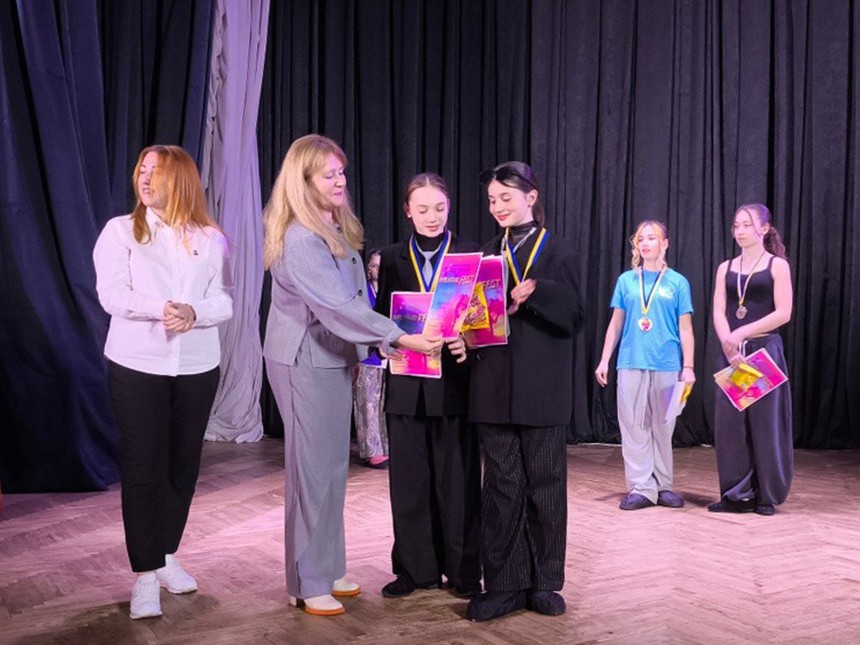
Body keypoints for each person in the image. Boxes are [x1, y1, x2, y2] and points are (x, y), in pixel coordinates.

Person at [261, 134, 443, 617]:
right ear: (302, 182)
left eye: (341, 172)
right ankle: (307, 581)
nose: (340, 180)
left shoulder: (331, 225)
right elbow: (338, 306)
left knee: (331, 470)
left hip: (331, 356)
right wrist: (399, 338)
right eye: (328, 174)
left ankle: (327, 566)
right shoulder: (301, 238)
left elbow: (355, 298)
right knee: (312, 473)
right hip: (304, 359)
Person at [93, 144, 233, 620]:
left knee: (182, 468)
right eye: (143, 170)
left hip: (197, 367)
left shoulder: (210, 239)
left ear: (183, 181)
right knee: (144, 469)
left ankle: (167, 554)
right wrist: (163, 309)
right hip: (138, 365)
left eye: (157, 172)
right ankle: (145, 575)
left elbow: (224, 301)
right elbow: (112, 294)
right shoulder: (120, 232)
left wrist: (194, 312)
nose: (146, 179)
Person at [466, 162, 582, 621]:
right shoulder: (483, 254)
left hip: (543, 389)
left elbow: (574, 316)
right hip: (492, 385)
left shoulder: (559, 251)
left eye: (506, 198)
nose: (497, 207)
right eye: (492, 200)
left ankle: (544, 583)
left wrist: (538, 293)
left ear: (531, 197)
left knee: (546, 485)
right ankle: (503, 584)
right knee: (500, 486)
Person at [374, 173, 482, 600]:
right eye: (422, 209)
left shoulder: (471, 255)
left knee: (457, 483)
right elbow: (380, 319)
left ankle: (463, 572)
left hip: (455, 385)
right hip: (406, 383)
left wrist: (467, 339)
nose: (432, 217)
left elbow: (486, 320)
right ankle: (415, 570)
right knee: (409, 483)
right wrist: (388, 343)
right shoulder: (392, 258)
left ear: (450, 206)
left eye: (439, 208)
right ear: (408, 211)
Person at [594, 220, 696, 511]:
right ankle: (641, 487)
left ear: (665, 244)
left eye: (652, 238)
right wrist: (604, 359)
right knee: (634, 425)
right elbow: (616, 323)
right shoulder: (626, 280)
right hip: (631, 361)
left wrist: (688, 366)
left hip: (667, 363)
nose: (646, 243)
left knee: (663, 426)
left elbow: (685, 328)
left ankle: (663, 486)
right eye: (641, 239)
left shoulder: (678, 282)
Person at [708, 204, 793, 516]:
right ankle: (735, 494)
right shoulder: (726, 267)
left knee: (764, 424)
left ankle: (766, 495)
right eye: (736, 225)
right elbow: (719, 310)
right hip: (734, 355)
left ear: (764, 228)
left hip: (763, 352)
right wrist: (728, 342)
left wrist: (742, 332)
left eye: (746, 224)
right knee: (732, 426)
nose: (740, 230)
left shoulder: (776, 265)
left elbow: (783, 313)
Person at [353, 249, 389, 468]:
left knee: (383, 406)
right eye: (374, 266)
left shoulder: (390, 291)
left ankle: (384, 446)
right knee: (367, 405)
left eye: (381, 266)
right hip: (367, 356)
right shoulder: (362, 293)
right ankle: (371, 450)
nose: (378, 270)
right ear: (368, 269)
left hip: (389, 357)